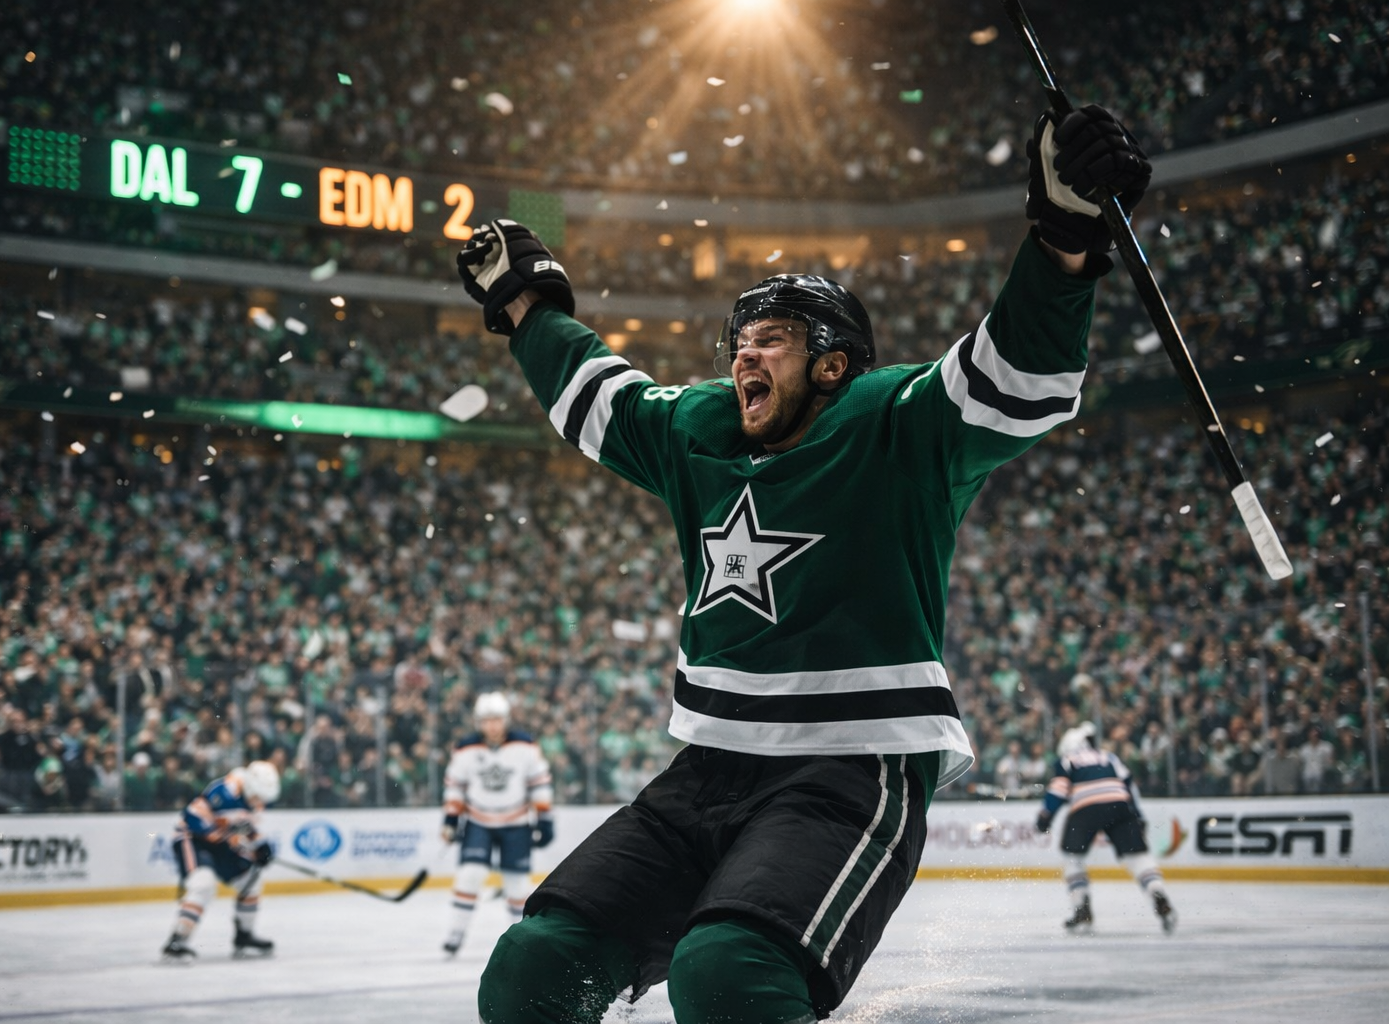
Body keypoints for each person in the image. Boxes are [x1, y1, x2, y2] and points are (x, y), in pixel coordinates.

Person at [456, 103, 1151, 1022]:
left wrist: (1064, 233)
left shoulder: (895, 422)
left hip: (851, 766)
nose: (745, 352)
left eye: (773, 338)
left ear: (833, 365)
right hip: (707, 765)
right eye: (740, 341)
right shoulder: (699, 429)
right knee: (532, 967)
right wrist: (526, 304)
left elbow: (1014, 374)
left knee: (729, 972)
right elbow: (600, 397)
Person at [440, 691, 554, 956]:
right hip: (478, 821)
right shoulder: (466, 747)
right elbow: (455, 785)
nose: (492, 726)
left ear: (506, 720)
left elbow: (539, 782)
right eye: (487, 720)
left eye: (497, 719)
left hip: (516, 823)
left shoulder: (526, 745)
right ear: (479, 722)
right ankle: (456, 934)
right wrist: (450, 818)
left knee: (516, 884)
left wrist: (544, 818)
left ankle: (521, 939)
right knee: (470, 876)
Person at [1036, 724, 1175, 934]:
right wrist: (1137, 815)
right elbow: (1129, 785)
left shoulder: (1067, 760)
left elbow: (1058, 790)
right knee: (1137, 857)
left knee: (1072, 857)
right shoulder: (1108, 757)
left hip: (1086, 806)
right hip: (1119, 804)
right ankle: (1157, 892)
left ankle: (1081, 909)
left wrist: (1044, 818)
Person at [160, 758, 280, 961]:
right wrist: (223, 833)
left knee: (251, 879)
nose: (261, 803)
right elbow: (192, 817)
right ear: (250, 787)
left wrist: (260, 848)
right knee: (203, 883)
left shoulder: (256, 799)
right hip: (192, 839)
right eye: (259, 798)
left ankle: (244, 936)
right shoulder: (224, 791)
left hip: (220, 842)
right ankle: (177, 941)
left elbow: (246, 827)